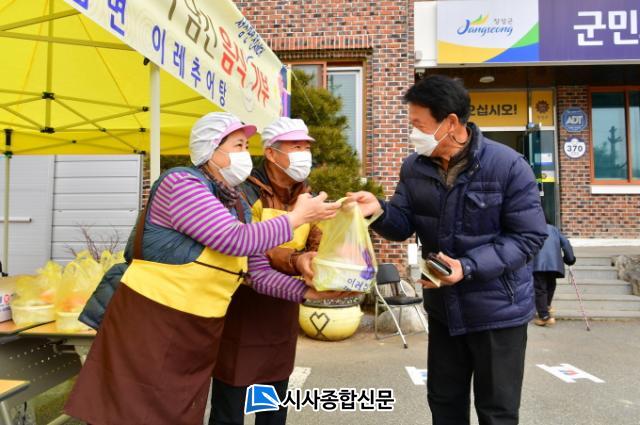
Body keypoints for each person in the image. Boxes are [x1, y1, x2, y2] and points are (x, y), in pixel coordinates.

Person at [64, 112, 346, 425]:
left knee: (175, 413)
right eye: (238, 146)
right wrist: (296, 218)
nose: (244, 154)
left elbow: (258, 274)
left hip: (197, 328)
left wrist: (310, 292)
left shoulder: (236, 204)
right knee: (130, 413)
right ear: (211, 149)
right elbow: (234, 239)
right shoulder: (181, 183)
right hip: (152, 320)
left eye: (246, 146)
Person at [349, 75, 548, 425]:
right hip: (444, 310)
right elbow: (403, 224)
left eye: (419, 125)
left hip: (498, 312)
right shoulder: (414, 167)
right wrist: (377, 211)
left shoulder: (508, 166)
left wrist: (467, 266)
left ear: (451, 123)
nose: (413, 134)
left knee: (497, 411)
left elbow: (528, 237)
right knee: (444, 403)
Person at [210, 117, 322, 425]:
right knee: (231, 403)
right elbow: (250, 248)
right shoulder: (243, 193)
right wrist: (297, 260)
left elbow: (317, 241)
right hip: (243, 306)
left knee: (273, 399)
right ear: (271, 153)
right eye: (296, 147)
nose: (304, 154)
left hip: (282, 308)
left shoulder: (306, 195)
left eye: (306, 147)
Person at [532, 215, 576, 326]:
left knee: (540, 288)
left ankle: (544, 316)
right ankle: (546, 307)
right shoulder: (555, 230)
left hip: (538, 263)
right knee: (551, 285)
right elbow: (566, 244)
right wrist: (570, 259)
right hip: (554, 263)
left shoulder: (533, 230)